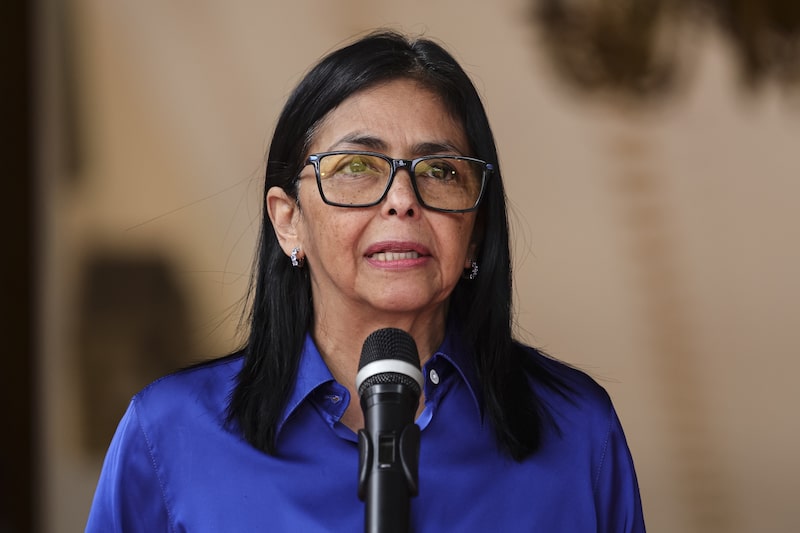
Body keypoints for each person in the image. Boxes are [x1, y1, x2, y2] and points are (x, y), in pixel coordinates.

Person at [86, 30, 645, 532]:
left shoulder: (576, 433)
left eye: (441, 171)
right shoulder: (172, 436)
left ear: (475, 233)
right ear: (288, 221)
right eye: (357, 167)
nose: (403, 200)